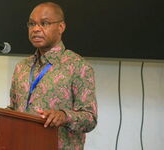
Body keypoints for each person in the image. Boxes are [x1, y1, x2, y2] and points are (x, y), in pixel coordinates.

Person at [8, 2, 97, 149]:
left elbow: (90, 119)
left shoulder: (78, 66)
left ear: (61, 27)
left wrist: (64, 116)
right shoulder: (21, 67)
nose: (36, 29)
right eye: (31, 24)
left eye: (44, 23)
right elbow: (13, 110)